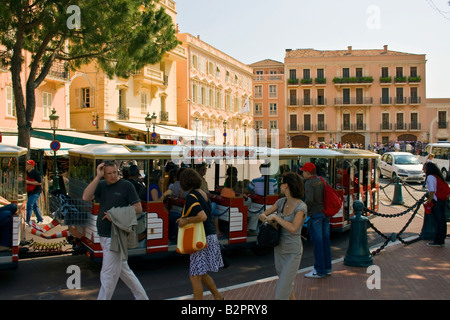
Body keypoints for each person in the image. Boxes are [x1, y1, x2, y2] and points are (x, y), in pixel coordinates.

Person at [82, 160, 148, 300]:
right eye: (109, 174)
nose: (113, 176)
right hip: (104, 235)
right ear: (104, 174)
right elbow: (86, 197)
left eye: (115, 172)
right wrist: (97, 177)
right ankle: (142, 298)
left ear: (118, 170)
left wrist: (115, 214)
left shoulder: (127, 186)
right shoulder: (101, 185)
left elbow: (138, 208)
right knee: (124, 271)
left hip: (116, 235)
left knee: (107, 275)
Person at [176, 168, 223, 300]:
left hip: (200, 238)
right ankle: (218, 297)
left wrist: (185, 220)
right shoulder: (202, 193)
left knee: (195, 276)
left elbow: (201, 216)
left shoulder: (191, 196)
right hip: (210, 236)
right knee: (201, 273)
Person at [258, 172, 306, 300]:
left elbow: (293, 228)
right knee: (287, 285)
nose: (280, 185)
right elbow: (262, 215)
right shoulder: (281, 202)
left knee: (282, 288)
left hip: (293, 250)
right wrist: (269, 220)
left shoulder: (301, 207)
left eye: (282, 182)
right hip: (279, 247)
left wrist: (276, 218)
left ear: (287, 186)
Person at [301, 162, 332, 278]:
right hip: (325, 213)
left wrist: (302, 209)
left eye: (303, 171)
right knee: (325, 242)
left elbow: (309, 200)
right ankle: (327, 268)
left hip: (315, 214)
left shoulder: (309, 183)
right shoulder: (322, 180)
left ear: (308, 172)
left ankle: (319, 270)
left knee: (318, 243)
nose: (302, 173)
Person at [423, 162, 447, 247]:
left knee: (438, 221)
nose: (423, 169)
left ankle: (438, 240)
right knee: (442, 221)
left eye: (424, 168)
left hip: (436, 201)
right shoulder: (437, 176)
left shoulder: (430, 177)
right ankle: (441, 239)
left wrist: (429, 201)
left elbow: (432, 191)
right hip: (441, 200)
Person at [25, 160, 44, 225]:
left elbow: (39, 182)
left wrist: (28, 182)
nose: (26, 165)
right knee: (35, 206)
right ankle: (40, 219)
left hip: (36, 191)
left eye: (28, 164)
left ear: (31, 166)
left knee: (29, 204)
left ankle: (27, 220)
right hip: (29, 191)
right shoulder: (26, 173)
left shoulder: (36, 173)